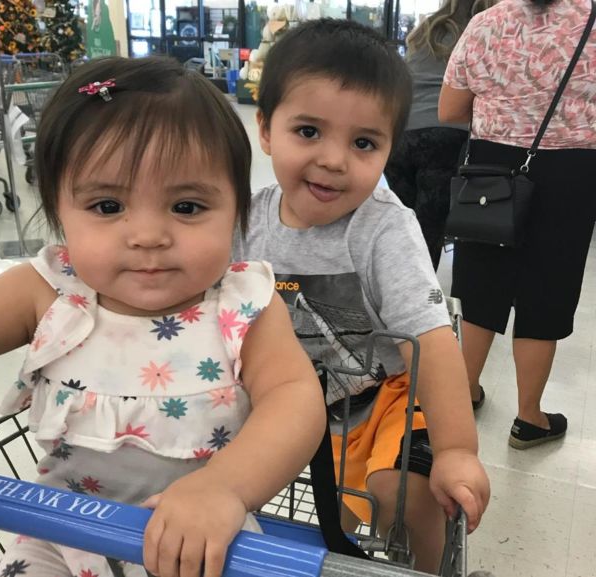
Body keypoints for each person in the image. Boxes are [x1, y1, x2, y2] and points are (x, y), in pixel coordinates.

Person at [0, 57, 326, 577]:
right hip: (60, 534)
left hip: (198, 538)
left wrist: (224, 487)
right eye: (108, 206)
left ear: (236, 212)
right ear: (60, 210)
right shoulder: (49, 290)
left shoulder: (243, 305)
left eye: (187, 207)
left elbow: (295, 400)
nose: (148, 236)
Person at [233, 19, 490, 574]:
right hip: (284, 402)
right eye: (308, 131)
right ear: (266, 129)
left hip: (387, 396)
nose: (334, 159)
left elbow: (431, 341)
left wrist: (456, 450)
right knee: (325, 522)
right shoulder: (243, 221)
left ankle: (425, 569)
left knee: (404, 494)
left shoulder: (383, 230)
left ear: (390, 149)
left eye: (364, 143)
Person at [439, 0, 596, 448]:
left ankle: (465, 392)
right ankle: (530, 418)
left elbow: (450, 110)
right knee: (548, 288)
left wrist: (508, 112)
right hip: (574, 173)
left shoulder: (486, 23)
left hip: (491, 169)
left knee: (482, 281)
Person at [384, 0, 497, 271]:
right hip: (445, 138)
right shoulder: (488, 29)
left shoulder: (427, 28)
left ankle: (389, 286)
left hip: (400, 134)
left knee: (401, 224)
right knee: (428, 232)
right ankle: (419, 293)